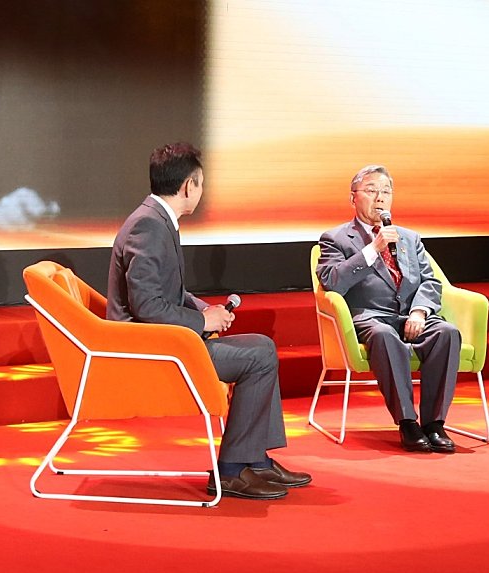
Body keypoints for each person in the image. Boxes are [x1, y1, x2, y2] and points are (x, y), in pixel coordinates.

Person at [107, 142, 311, 498]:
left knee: (262, 346)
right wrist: (202, 322)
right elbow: (148, 306)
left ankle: (255, 460)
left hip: (167, 339)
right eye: (201, 184)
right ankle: (231, 470)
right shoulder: (149, 226)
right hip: (153, 349)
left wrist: (205, 310)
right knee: (259, 357)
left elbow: (169, 291)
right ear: (189, 186)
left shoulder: (156, 219)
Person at [315, 165, 461, 453]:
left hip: (410, 315)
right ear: (353, 197)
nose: (379, 197)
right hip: (371, 317)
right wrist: (373, 249)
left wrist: (420, 311)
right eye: (371, 190)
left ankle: (434, 423)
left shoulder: (409, 237)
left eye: (385, 191)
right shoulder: (335, 238)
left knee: (447, 332)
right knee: (385, 336)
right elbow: (332, 282)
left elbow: (430, 280)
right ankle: (407, 422)